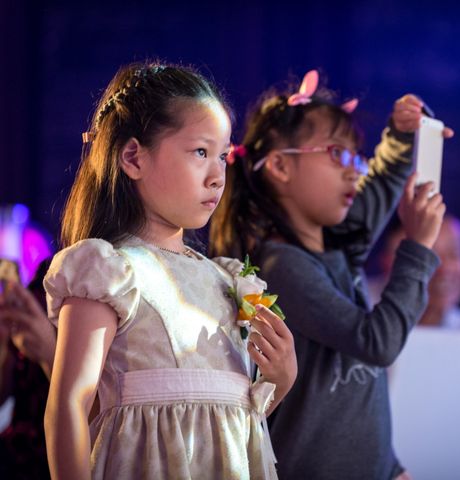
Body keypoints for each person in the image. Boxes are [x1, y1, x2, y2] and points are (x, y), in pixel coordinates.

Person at [42, 62, 297, 480]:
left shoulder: (225, 280)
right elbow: (69, 405)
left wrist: (281, 380)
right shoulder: (109, 271)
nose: (217, 176)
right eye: (200, 152)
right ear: (133, 157)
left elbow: (227, 423)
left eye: (223, 157)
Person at [210, 69, 451, 479]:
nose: (356, 170)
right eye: (338, 154)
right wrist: (417, 247)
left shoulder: (338, 244)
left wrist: (401, 134)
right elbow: (377, 343)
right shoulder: (281, 266)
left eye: (357, 156)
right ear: (281, 168)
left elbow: (379, 186)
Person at [369, 214, 460, 329]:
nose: (444, 269)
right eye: (427, 256)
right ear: (387, 263)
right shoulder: (359, 316)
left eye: (454, 254)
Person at [0, 259, 55, 479]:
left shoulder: (105, 275)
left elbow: (104, 414)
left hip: (56, 457)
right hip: (16, 456)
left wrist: (51, 355)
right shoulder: (46, 274)